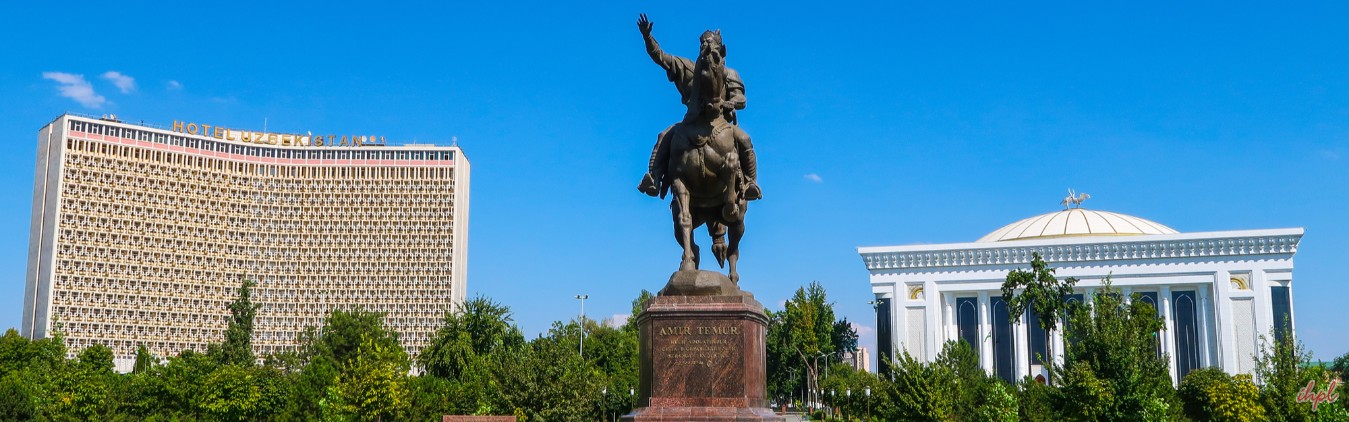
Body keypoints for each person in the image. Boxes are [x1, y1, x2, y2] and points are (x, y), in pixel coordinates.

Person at [637, 14, 761, 201]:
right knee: (664, 136)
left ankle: (750, 182)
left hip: (720, 123)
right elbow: (660, 57)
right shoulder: (688, 68)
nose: (706, 48)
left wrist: (729, 103)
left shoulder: (729, 73)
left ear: (721, 50)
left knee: (744, 138)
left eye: (710, 45)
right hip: (692, 120)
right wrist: (647, 37)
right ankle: (655, 177)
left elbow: (741, 99)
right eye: (703, 44)